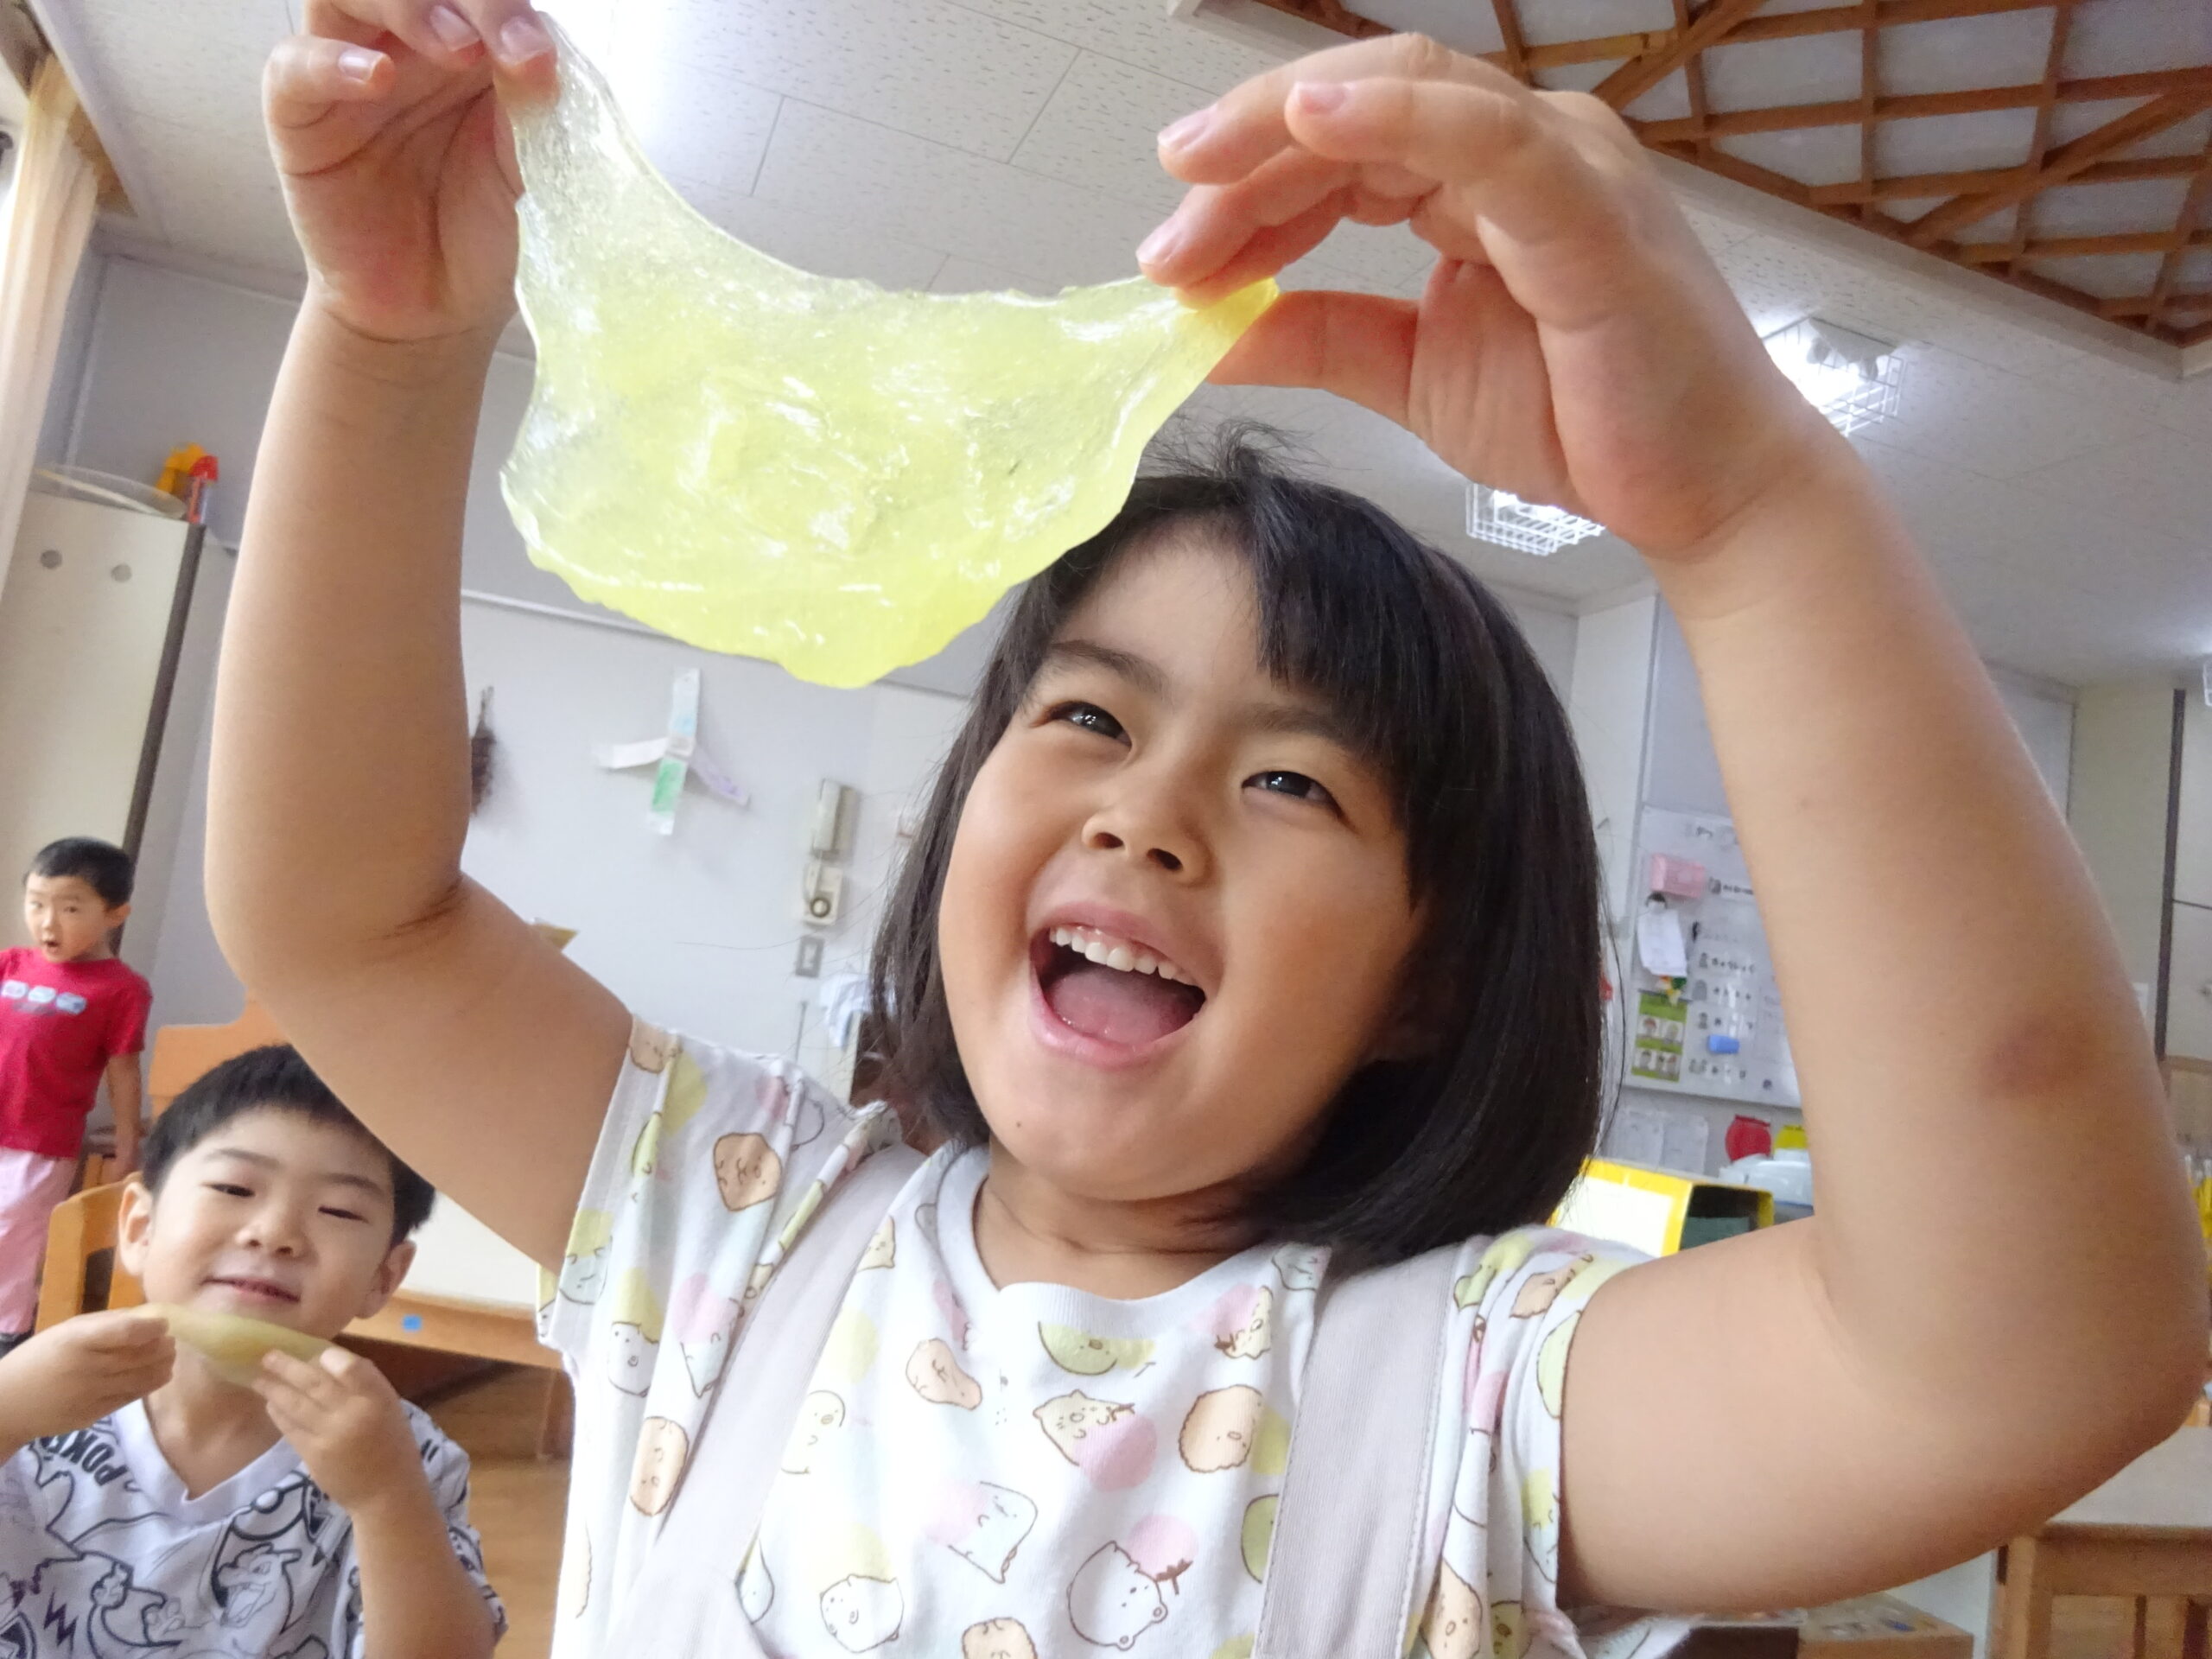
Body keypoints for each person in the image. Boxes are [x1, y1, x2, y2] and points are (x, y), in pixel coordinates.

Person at [215, 6, 2209, 1656]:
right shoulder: (733, 1230)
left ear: (1429, 975)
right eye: (1084, 712)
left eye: (1287, 781)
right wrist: (391, 342)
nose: (1147, 811)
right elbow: (342, 916)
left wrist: (1750, 512)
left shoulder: (1462, 1396)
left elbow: (2024, 1352)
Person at [0, 1044, 504, 1657]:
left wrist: (385, 1499)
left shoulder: (402, 1456)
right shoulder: (30, 1400)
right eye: (236, 1188)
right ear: (139, 1227)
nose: (276, 1233)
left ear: (384, 1278)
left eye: (339, 1210)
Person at [0, 839, 151, 1353]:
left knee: (11, 1245)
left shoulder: (121, 989)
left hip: (39, 1143)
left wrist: (127, 1147)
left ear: (115, 914)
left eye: (69, 908)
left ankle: (9, 1340)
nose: (48, 921)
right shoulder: (10, 965)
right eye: (36, 903)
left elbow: (123, 1071)